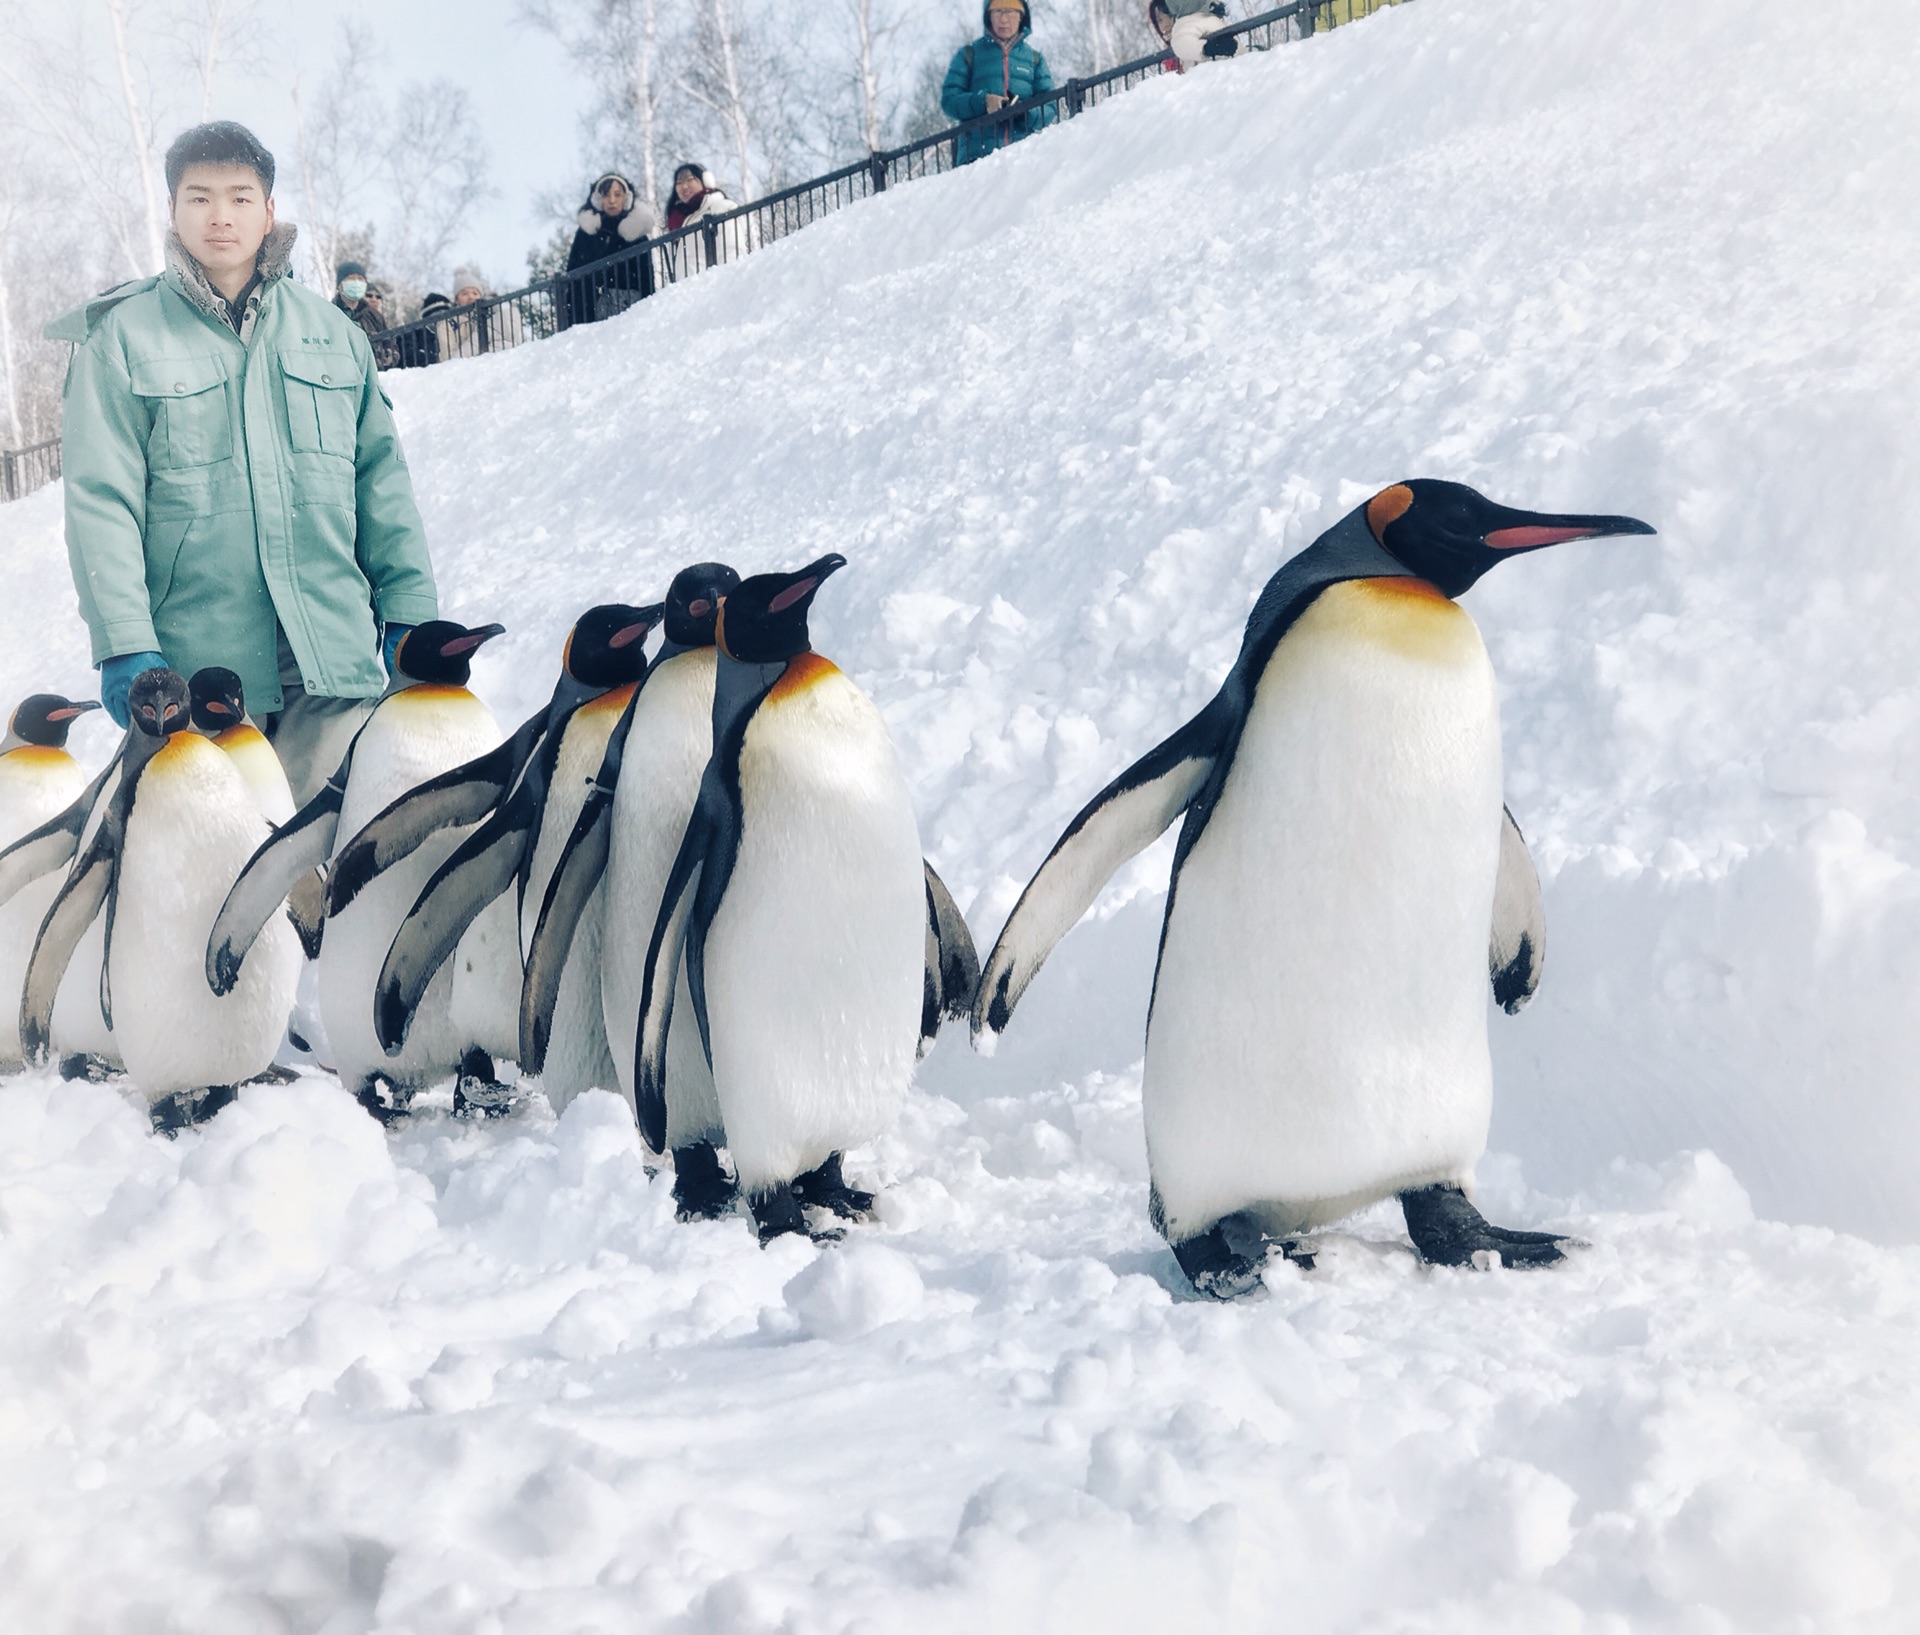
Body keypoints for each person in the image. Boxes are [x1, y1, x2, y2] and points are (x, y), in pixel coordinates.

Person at [47, 121, 439, 802]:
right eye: (199, 197)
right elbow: (99, 503)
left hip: (333, 664)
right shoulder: (122, 340)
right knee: (217, 890)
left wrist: (408, 608)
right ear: (173, 212)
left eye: (239, 196)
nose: (220, 216)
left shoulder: (333, 334)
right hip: (200, 681)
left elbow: (381, 484)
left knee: (337, 878)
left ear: (269, 210)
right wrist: (123, 642)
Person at [941, 0, 1057, 167]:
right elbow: (949, 101)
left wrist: (1023, 112)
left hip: (1024, 159)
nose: (1003, 20)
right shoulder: (969, 54)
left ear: (1021, 17)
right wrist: (983, 102)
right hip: (977, 161)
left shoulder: (1034, 59)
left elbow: (1050, 107)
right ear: (989, 16)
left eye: (1010, 12)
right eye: (998, 12)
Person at [563, 172, 657, 325]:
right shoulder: (586, 233)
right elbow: (572, 273)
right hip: (585, 313)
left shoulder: (635, 233)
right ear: (599, 199)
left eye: (617, 194)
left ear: (626, 198)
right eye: (606, 195)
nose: (612, 201)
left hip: (629, 313)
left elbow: (647, 279)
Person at [660, 163, 745, 280]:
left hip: (715, 287)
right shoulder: (682, 221)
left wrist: (728, 283)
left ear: (706, 181)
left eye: (690, 180)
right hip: (691, 292)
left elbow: (732, 251)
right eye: (679, 183)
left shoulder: (720, 208)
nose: (684, 186)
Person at [1153, 0, 1239, 66]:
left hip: (1235, 69)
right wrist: (1208, 48)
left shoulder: (1211, 17)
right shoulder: (1184, 24)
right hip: (1217, 73)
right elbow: (1182, 43)